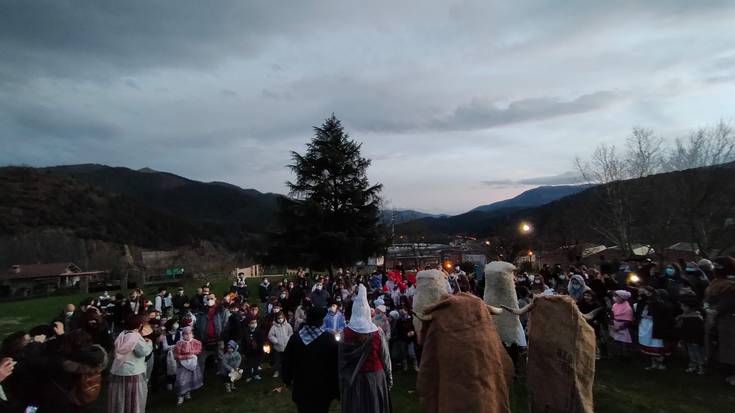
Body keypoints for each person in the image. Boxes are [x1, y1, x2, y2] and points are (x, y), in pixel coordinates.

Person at [338, 285, 392, 413]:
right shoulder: (377, 333)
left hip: (353, 378)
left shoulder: (344, 334)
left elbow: (341, 361)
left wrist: (341, 384)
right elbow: (385, 358)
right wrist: (389, 378)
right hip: (375, 377)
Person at [282, 306, 339, 413]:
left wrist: (287, 379)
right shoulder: (329, 340)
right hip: (323, 389)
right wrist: (336, 388)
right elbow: (335, 365)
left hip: (302, 387)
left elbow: (287, 361)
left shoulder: (296, 338)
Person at [109, 315, 153, 413]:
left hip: (119, 370)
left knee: (121, 396)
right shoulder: (135, 337)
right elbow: (144, 352)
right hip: (133, 372)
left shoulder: (122, 334)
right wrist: (149, 343)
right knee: (134, 398)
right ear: (140, 325)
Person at [675, 295, 706, 375]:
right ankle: (693, 365)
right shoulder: (685, 315)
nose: (681, 307)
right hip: (688, 338)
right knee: (691, 352)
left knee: (698, 353)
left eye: (682, 306)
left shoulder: (695, 317)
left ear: (688, 307)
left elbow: (698, 330)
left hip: (695, 339)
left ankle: (701, 367)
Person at [173, 326, 203, 405]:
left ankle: (187, 392)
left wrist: (193, 353)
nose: (188, 335)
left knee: (190, 378)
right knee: (181, 380)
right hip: (183, 364)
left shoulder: (195, 341)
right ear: (182, 335)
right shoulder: (179, 343)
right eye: (186, 334)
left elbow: (198, 350)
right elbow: (176, 355)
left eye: (190, 333)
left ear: (192, 334)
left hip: (192, 363)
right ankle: (180, 396)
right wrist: (185, 357)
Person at [268, 312, 293, 378]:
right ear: (276, 319)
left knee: (286, 360)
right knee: (277, 361)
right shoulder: (274, 327)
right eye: (278, 318)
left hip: (286, 346)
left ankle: (286, 371)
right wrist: (276, 341)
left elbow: (291, 333)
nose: (280, 319)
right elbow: (270, 336)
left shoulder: (287, 325)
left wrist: (288, 339)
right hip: (277, 347)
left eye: (281, 318)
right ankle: (276, 371)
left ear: (284, 318)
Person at [610, 290, 634, 358]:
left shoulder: (627, 308)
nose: (614, 298)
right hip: (615, 324)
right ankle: (618, 354)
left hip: (623, 326)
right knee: (616, 341)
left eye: (616, 296)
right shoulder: (615, 305)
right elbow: (612, 314)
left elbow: (628, 320)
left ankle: (626, 356)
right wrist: (612, 324)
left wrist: (620, 327)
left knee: (624, 342)